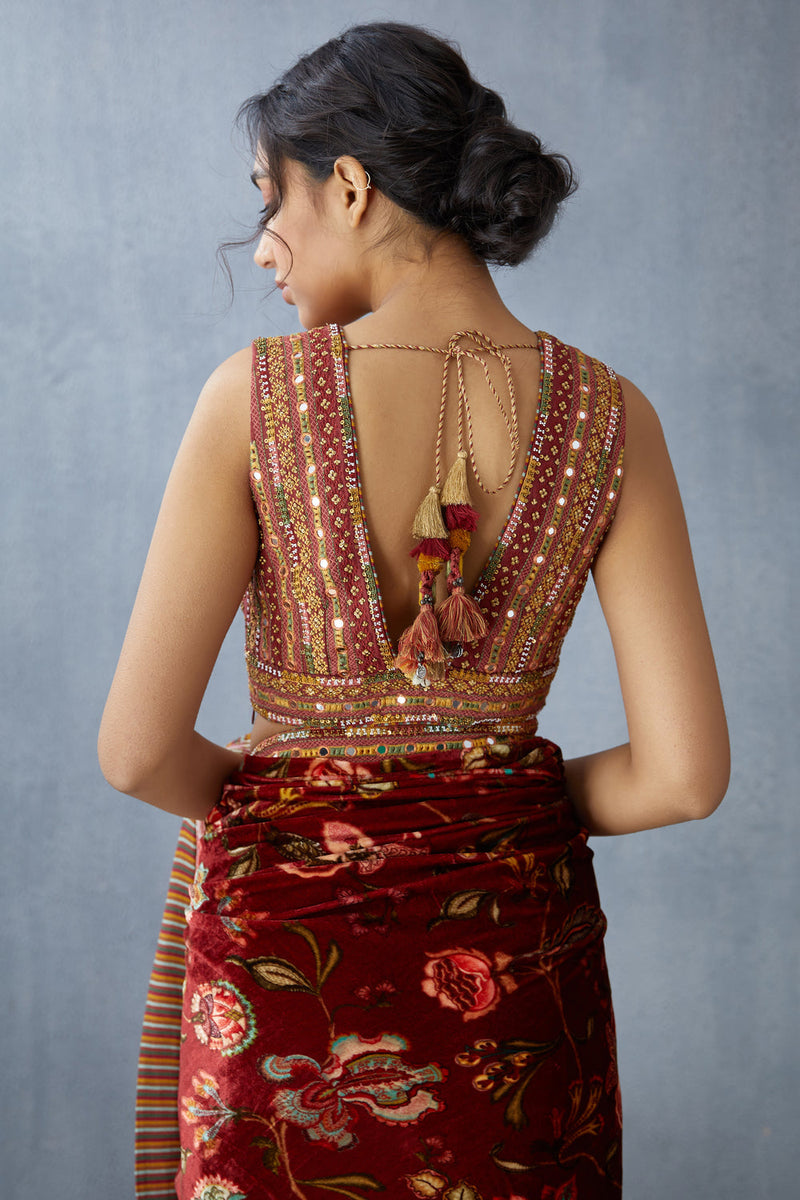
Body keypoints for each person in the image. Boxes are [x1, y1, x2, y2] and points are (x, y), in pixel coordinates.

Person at [98, 21, 729, 1200]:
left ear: (347, 184)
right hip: (518, 989)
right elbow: (682, 779)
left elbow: (135, 753)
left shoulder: (252, 400)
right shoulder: (613, 416)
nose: (263, 247)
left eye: (268, 198)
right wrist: (477, 801)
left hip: (282, 985)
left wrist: (309, 802)